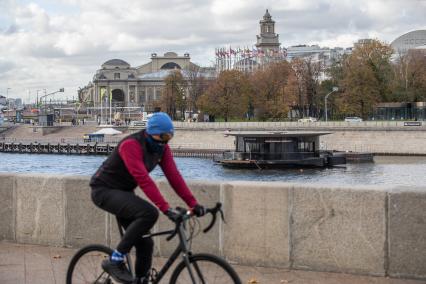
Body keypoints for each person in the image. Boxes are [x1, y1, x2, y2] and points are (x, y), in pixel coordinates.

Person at [90, 112, 205, 284]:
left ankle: (141, 281)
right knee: (149, 213)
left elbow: (174, 176)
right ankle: (115, 260)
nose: (166, 141)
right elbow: (143, 179)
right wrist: (165, 209)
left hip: (124, 192)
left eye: (170, 136)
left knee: (146, 243)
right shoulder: (131, 145)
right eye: (164, 136)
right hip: (104, 190)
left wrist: (193, 203)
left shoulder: (162, 148)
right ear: (152, 132)